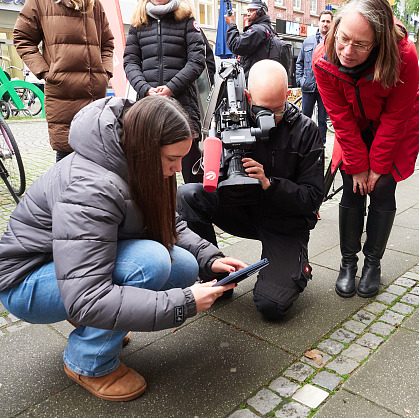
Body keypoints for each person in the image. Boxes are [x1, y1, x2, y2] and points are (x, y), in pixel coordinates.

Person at [0, 96, 245, 400]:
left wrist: (210, 258)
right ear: (146, 148)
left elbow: (170, 224)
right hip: (25, 283)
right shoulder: (90, 186)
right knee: (151, 262)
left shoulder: (144, 163)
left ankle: (101, 328)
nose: (178, 168)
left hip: (72, 269)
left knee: (184, 265)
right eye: (172, 159)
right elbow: (86, 297)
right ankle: (88, 362)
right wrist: (183, 303)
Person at [177, 60, 324, 320]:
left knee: (271, 306)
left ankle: (296, 267)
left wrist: (269, 184)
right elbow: (210, 180)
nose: (271, 119)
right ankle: (216, 273)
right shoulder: (231, 119)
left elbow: (312, 197)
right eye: (264, 110)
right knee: (188, 195)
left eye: (278, 110)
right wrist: (216, 157)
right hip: (242, 208)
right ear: (248, 96)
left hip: (284, 221)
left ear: (288, 93)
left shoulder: (306, 130)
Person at [313, 0, 419, 299]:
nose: (348, 52)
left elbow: (397, 115)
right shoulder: (323, 58)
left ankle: (372, 264)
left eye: (361, 45)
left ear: (379, 42)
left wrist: (377, 164)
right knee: (352, 184)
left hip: (397, 119)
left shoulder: (403, 54)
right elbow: (340, 118)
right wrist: (359, 164)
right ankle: (348, 263)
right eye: (344, 40)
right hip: (355, 120)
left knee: (383, 185)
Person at [13, 0, 114, 162]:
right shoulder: (40, 3)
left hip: (95, 95)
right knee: (66, 161)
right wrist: (46, 72)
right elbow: (22, 38)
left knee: (97, 161)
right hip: (63, 94)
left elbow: (107, 43)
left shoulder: (94, 4)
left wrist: (104, 72)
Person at [123, 0, 212, 184]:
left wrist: (171, 87)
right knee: (152, 174)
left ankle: (194, 210)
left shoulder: (187, 18)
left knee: (192, 172)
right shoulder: (138, 22)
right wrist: (145, 89)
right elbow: (130, 62)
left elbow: (197, 60)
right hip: (148, 107)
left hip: (184, 106)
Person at [295, 10, 332, 144]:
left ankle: (320, 146)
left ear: (331, 24)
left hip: (325, 90)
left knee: (322, 120)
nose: (325, 24)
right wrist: (301, 80)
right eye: (323, 21)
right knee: (305, 119)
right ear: (318, 22)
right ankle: (304, 144)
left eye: (328, 21)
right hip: (308, 87)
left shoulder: (334, 43)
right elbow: (299, 62)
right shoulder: (308, 41)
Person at [225, 0, 273, 80]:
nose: (248, 14)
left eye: (252, 11)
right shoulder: (266, 28)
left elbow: (235, 45)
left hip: (254, 80)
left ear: (260, 12)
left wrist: (231, 24)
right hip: (259, 78)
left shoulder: (258, 30)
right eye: (248, 11)